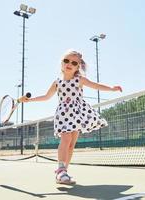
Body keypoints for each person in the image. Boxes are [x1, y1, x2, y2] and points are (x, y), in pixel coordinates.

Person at [23, 50, 122, 184]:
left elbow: (96, 85)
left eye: (74, 62)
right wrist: (30, 100)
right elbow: (46, 97)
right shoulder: (57, 82)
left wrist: (111, 88)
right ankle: (61, 170)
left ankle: (64, 172)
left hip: (77, 113)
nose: (69, 64)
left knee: (71, 144)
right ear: (62, 64)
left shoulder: (79, 79)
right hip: (63, 114)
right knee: (66, 138)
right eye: (66, 61)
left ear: (77, 67)